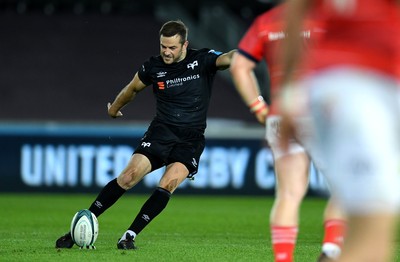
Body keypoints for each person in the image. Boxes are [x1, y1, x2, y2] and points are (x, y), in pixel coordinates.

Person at [55, 20, 236, 250]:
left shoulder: (202, 59)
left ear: (184, 45)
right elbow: (132, 89)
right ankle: (82, 224)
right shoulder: (153, 67)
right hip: (161, 131)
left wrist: (251, 52)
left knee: (168, 183)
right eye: (163, 46)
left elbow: (229, 58)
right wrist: (114, 108)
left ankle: (129, 236)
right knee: (128, 176)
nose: (166, 52)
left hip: (190, 138)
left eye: (172, 47)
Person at [278, 0, 400, 261]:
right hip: (363, 89)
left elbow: (295, 10)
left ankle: (331, 248)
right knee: (372, 239)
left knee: (368, 229)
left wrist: (288, 94)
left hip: (336, 84)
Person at [229, 4, 346, 262]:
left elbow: (239, 66)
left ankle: (283, 259)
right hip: (320, 115)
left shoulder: (266, 21)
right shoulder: (329, 16)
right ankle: (330, 250)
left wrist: (259, 107)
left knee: (288, 195)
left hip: (282, 115)